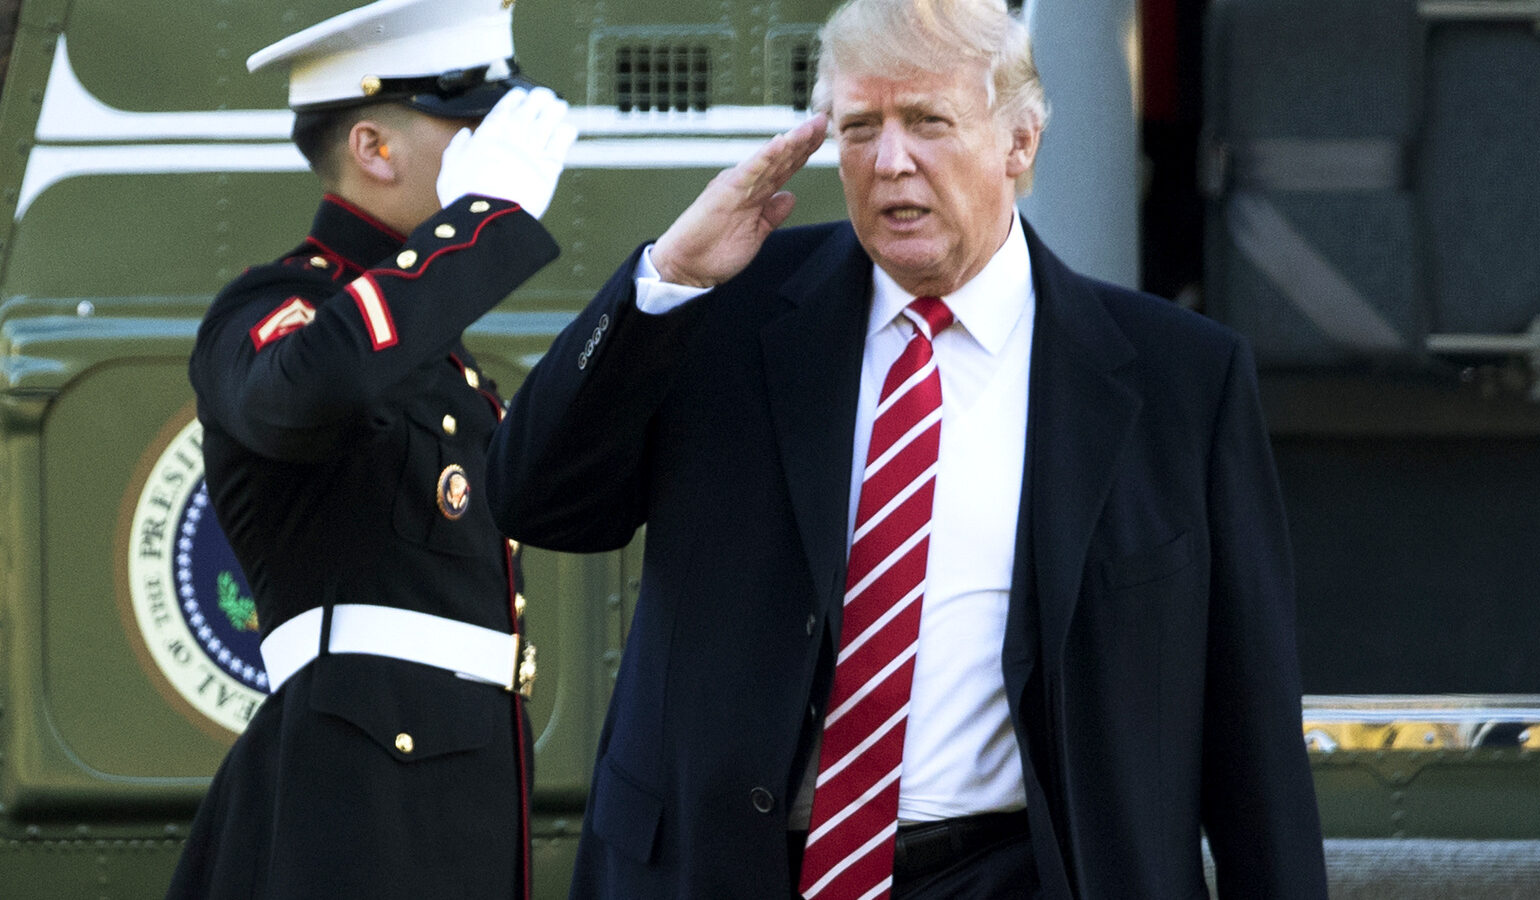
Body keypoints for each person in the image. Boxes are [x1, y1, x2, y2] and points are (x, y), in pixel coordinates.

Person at [486, 0, 1327, 896]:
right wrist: (666, 280)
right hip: (728, 868)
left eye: (927, 121)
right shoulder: (725, 311)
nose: (891, 162)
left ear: (1020, 144)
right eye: (860, 128)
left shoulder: (1178, 382)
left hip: (1014, 873)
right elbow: (539, 500)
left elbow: (1252, 742)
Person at [167, 0, 574, 897]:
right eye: (470, 126)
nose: (495, 152)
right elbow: (310, 385)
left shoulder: (432, 350)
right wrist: (483, 224)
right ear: (374, 149)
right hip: (352, 808)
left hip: (455, 790)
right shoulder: (279, 306)